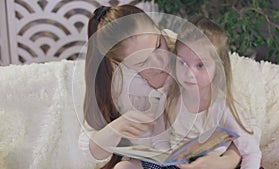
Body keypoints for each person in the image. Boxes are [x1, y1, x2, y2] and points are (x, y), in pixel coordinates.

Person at [78, 5, 242, 169]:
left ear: (158, 29)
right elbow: (90, 154)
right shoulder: (116, 84)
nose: (160, 61)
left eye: (158, 45)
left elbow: (241, 125)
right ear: (119, 64)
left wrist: (226, 161)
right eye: (143, 62)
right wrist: (115, 129)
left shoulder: (187, 55)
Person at [157, 15, 261, 169]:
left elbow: (251, 151)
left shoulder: (222, 105)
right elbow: (160, 139)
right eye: (182, 62)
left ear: (218, 67)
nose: (189, 73)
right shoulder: (170, 96)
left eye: (200, 65)